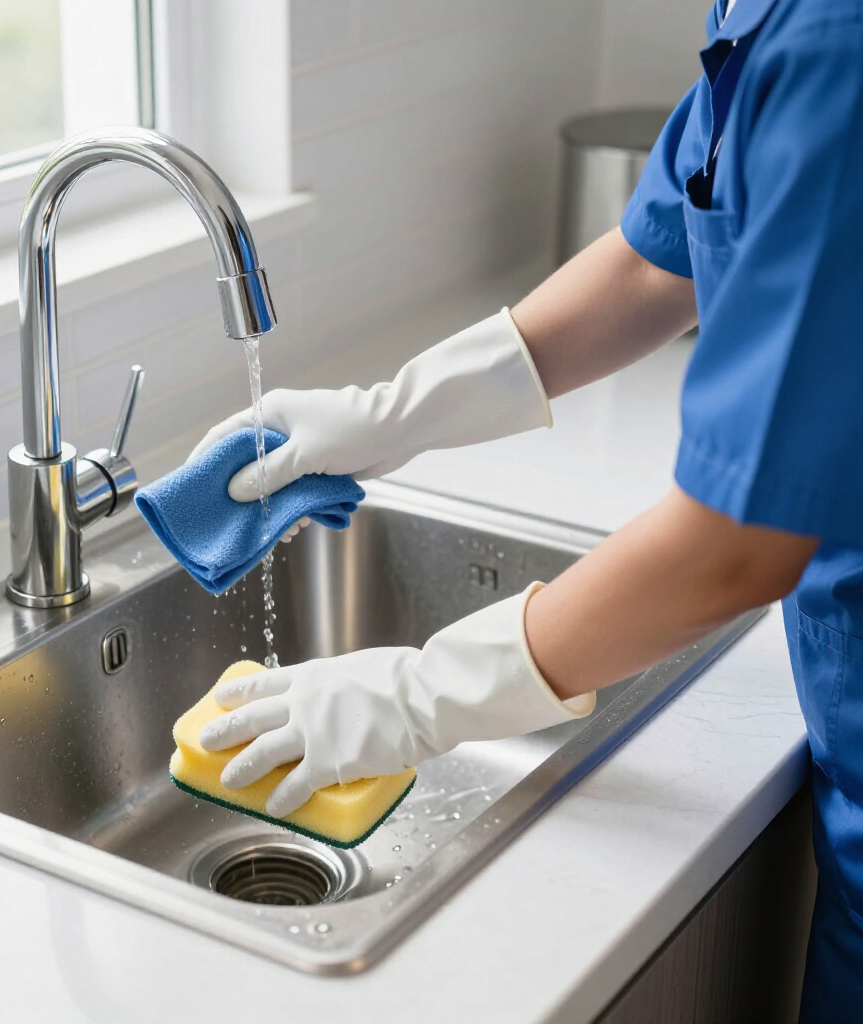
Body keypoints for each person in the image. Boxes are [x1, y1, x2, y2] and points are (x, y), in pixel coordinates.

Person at [188, 0, 862, 1015]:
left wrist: (420, 694)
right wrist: (394, 411)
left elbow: (733, 547)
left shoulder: (835, 46)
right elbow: (660, 252)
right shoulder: (771, 23)